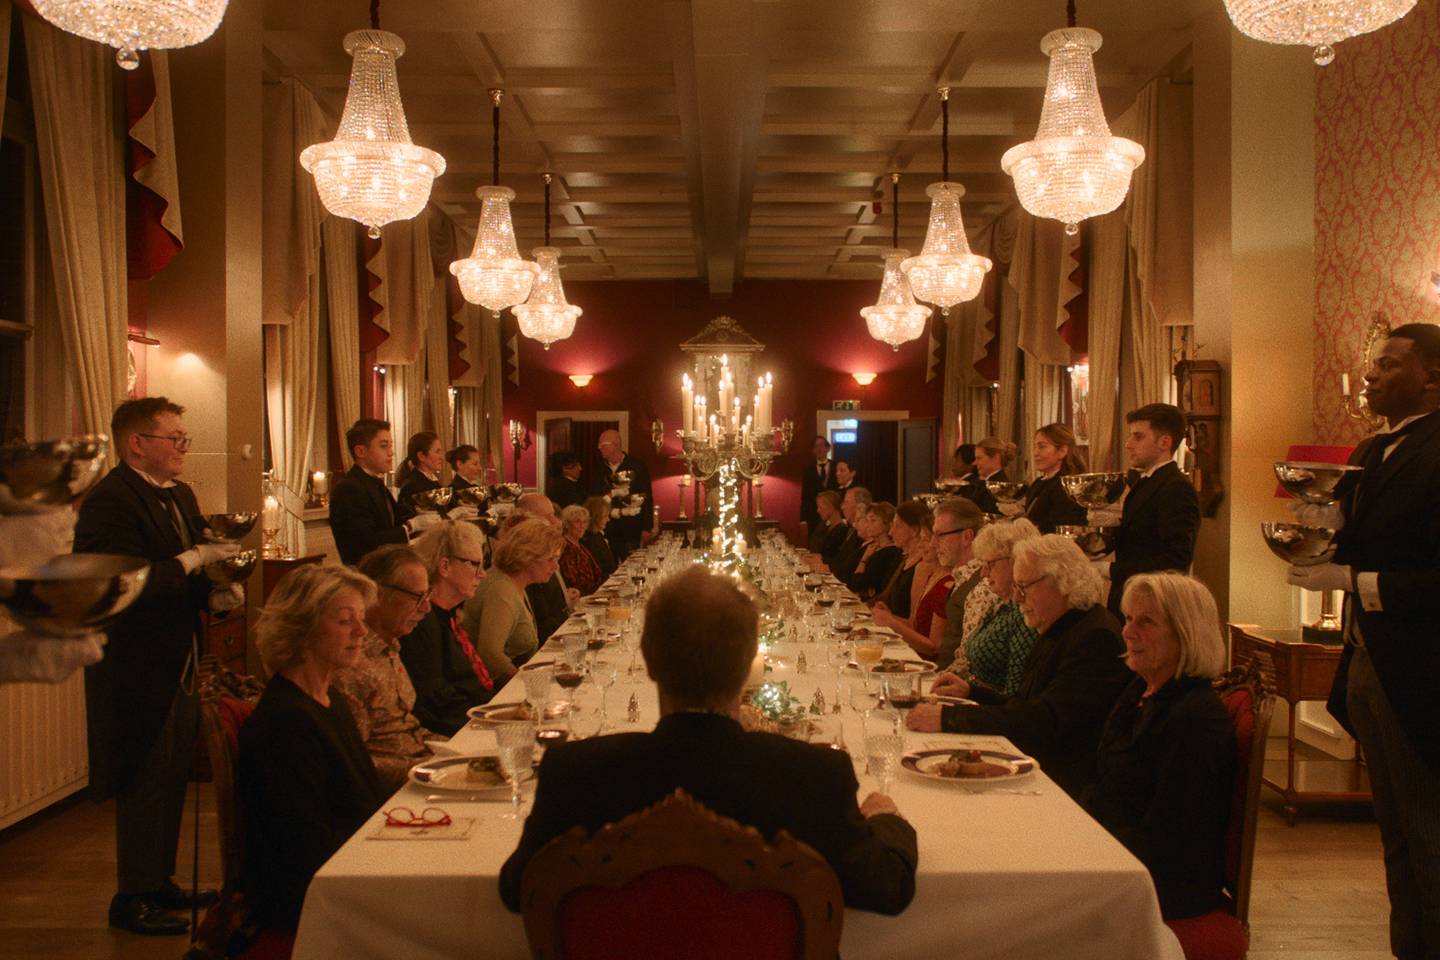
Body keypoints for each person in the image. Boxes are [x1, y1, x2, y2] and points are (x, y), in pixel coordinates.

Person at [499, 566, 918, 915]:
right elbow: (888, 888)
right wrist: (888, 820)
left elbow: (517, 889)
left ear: (647, 659)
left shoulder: (575, 773)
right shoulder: (813, 777)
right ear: (750, 665)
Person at [1285, 323, 1440, 959]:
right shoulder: (1372, 451)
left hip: (1422, 672)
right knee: (1395, 834)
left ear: (1432, 377)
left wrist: (1355, 581)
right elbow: (1356, 540)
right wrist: (1319, 531)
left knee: (1429, 835)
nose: (1371, 375)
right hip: (1368, 662)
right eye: (1373, 363)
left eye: (1389, 364)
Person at [74, 397, 239, 936]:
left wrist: (215, 593)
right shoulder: (109, 501)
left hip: (180, 654)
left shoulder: (181, 495)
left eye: (184, 438)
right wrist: (192, 561)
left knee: (172, 774)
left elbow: (190, 573)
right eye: (175, 439)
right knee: (144, 775)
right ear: (137, 444)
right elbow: (122, 584)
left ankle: (159, 879)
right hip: (134, 664)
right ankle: (131, 896)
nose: (183, 448)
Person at [907, 534, 1132, 798]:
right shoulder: (1060, 626)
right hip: (1037, 770)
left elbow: (1043, 722)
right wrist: (971, 692)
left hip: (1058, 789)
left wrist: (950, 718)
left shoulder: (1095, 638)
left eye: (1023, 587)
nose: (1016, 597)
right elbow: (1027, 704)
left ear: (1063, 581)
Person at [238, 565, 385, 936]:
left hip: (351, 866)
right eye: (345, 621)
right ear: (301, 630)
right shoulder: (286, 722)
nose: (362, 632)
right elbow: (304, 847)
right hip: (317, 899)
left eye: (361, 618)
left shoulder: (329, 699)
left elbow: (362, 798)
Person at [1082, 572, 1235, 922]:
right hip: (1119, 855)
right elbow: (1104, 779)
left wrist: (1083, 842)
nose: (1128, 631)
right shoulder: (1140, 691)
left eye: (1146, 622)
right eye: (1128, 619)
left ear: (1186, 632)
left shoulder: (1196, 717)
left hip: (1160, 884)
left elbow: (1167, 837)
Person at [332, 545, 437, 792]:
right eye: (417, 597)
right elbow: (355, 765)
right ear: (378, 595)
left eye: (428, 595)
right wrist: (432, 770)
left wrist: (464, 751)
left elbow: (409, 730)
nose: (426, 607)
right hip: (397, 793)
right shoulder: (350, 664)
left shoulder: (391, 646)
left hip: (424, 768)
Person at [1097, 404, 1200, 613]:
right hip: (1131, 599)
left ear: (1164, 442)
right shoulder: (1147, 481)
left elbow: (1175, 560)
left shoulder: (1176, 487)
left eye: (1138, 437)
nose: (1128, 444)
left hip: (1153, 604)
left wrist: (1109, 569)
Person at [400, 520, 496, 736]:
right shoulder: (422, 622)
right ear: (445, 566)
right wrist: (492, 725)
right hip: (462, 732)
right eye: (475, 564)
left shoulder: (448, 615)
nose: (482, 574)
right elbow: (435, 703)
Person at [934, 518, 1041, 697]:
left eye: (989, 564)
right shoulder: (1003, 605)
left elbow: (1014, 695)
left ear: (1015, 561)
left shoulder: (1025, 614)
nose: (983, 573)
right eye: (982, 565)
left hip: (987, 708)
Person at [874, 499, 982, 659]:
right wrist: (889, 618)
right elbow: (915, 624)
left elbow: (938, 648)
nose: (933, 544)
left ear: (967, 537)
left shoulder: (976, 583)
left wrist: (891, 622)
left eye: (940, 535)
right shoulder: (958, 577)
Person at [463, 517, 563, 684]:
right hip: (495, 689)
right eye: (551, 559)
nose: (556, 567)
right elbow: (490, 655)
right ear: (527, 556)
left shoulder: (514, 582)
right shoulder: (501, 590)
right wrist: (529, 683)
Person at [329, 418, 440, 566]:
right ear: (360, 451)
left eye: (391, 446)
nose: (391, 453)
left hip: (388, 566)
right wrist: (411, 526)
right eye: (383, 446)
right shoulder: (349, 488)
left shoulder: (376, 482)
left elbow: (397, 518)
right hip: (366, 571)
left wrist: (421, 517)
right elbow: (365, 544)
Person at [514, 492, 576, 641]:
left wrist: (566, 600)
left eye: (554, 515)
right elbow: (539, 624)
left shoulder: (548, 550)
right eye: (549, 516)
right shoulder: (528, 561)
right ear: (527, 520)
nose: (557, 522)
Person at [593, 429, 653, 559]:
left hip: (631, 528)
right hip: (606, 528)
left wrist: (647, 527)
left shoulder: (637, 466)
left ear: (615, 445)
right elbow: (595, 497)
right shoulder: (598, 468)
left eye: (602, 444)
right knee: (608, 564)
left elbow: (646, 497)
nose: (599, 448)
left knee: (631, 563)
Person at [1020, 423, 1088, 534]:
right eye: (1035, 447)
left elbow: (1058, 530)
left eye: (1042, 447)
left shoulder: (1066, 486)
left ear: (1062, 451)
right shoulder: (1038, 482)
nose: (1035, 453)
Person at [873, 500, 932, 620]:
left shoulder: (923, 565)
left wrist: (889, 618)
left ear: (914, 530)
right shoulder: (903, 559)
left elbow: (914, 621)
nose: (891, 532)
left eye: (897, 526)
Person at [845, 502, 902, 601]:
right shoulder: (872, 546)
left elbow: (857, 584)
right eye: (867, 521)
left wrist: (864, 560)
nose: (868, 525)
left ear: (887, 524)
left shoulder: (890, 552)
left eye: (873, 521)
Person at [828, 487, 873, 582]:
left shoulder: (863, 536)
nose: (842, 507)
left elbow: (849, 568)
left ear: (859, 505)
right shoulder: (851, 530)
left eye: (846, 502)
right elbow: (841, 559)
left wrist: (827, 567)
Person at [559, 504, 605, 596]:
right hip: (580, 597)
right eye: (577, 521)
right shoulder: (565, 548)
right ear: (567, 524)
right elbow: (574, 582)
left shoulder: (580, 546)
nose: (582, 526)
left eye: (584, 522)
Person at [961, 437, 1015, 515]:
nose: (974, 463)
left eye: (979, 458)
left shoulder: (999, 488)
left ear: (996, 458)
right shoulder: (982, 482)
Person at [395, 431, 445, 507]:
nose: (442, 457)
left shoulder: (433, 481)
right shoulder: (411, 486)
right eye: (437, 452)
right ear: (421, 456)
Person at [799, 435, 836, 535]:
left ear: (827, 448)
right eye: (816, 446)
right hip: (814, 515)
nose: (819, 449)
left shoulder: (836, 467)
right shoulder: (808, 470)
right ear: (813, 450)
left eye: (822, 446)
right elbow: (805, 496)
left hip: (833, 513)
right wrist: (803, 518)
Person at [581, 495, 618, 578]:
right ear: (595, 517)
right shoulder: (588, 540)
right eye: (605, 516)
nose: (608, 520)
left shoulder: (598, 535)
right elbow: (598, 571)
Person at [807, 490, 848, 561]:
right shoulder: (826, 526)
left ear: (831, 507)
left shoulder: (841, 530)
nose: (818, 510)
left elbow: (831, 557)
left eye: (820, 507)